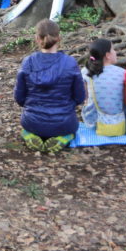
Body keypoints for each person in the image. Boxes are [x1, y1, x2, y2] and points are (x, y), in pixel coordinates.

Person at [14, 19, 86, 153]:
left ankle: (29, 134)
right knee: (71, 129)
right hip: (64, 123)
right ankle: (64, 137)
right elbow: (80, 97)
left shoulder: (27, 62)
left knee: (27, 127)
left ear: (37, 38)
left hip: (32, 122)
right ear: (59, 38)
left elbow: (19, 98)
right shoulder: (70, 63)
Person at [80, 38, 125, 131]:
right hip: (120, 122)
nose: (116, 52)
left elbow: (85, 98)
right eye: (113, 49)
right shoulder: (122, 73)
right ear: (108, 55)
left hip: (92, 122)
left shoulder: (85, 71)